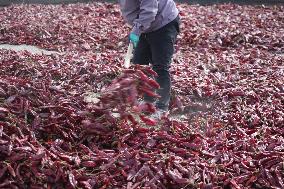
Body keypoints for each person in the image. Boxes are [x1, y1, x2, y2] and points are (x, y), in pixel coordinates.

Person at [119, 0, 180, 117]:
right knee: (139, 64)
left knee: (160, 66)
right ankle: (148, 101)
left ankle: (162, 107)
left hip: (163, 22)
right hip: (146, 25)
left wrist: (137, 29)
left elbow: (150, 10)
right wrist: (137, 27)